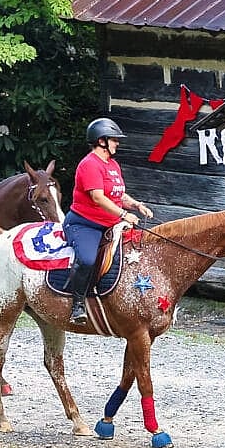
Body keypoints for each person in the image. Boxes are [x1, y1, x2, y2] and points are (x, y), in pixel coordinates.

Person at [62, 118, 153, 325]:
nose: (117, 143)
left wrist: (137, 205)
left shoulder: (112, 165)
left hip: (109, 223)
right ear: (101, 141)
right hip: (85, 224)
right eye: (114, 140)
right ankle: (77, 305)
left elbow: (118, 194)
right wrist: (123, 215)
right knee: (87, 259)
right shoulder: (89, 164)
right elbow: (98, 197)